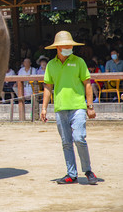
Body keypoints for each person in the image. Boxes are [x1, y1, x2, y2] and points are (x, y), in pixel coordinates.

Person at [40, 31, 98, 185]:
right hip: (60, 108)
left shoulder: (79, 62)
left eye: (71, 45)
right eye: (67, 45)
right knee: (66, 142)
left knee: (79, 138)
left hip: (78, 107)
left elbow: (87, 84)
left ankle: (87, 170)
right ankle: (71, 174)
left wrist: (89, 106)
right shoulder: (51, 65)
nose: (70, 47)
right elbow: (47, 87)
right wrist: (44, 108)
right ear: (58, 47)